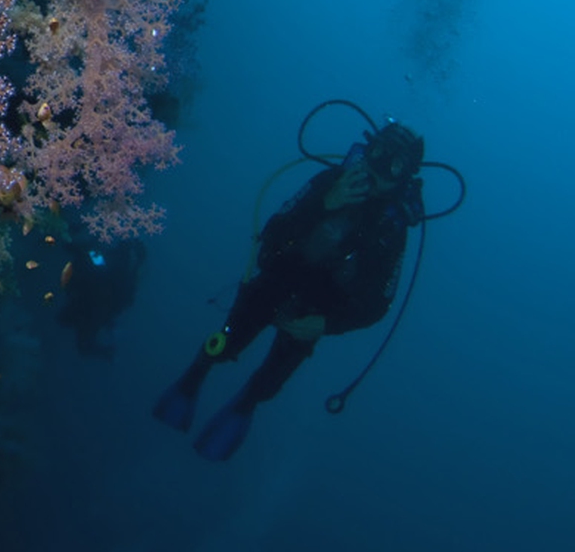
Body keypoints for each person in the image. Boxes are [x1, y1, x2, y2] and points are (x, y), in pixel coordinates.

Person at [153, 121, 426, 460]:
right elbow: (272, 233)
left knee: (268, 382)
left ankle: (241, 409)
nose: (379, 168)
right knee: (222, 344)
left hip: (314, 314)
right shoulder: (329, 182)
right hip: (274, 284)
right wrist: (325, 202)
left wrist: (326, 325)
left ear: (405, 178)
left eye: (394, 165)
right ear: (367, 149)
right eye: (378, 154)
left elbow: (378, 305)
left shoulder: (392, 228)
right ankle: (191, 382)